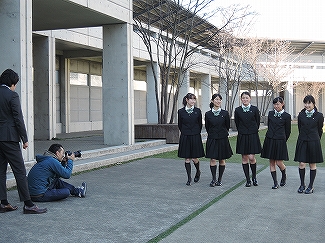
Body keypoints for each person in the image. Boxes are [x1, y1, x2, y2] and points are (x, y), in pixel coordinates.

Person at [0, 69, 47, 214]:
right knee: (19, 170)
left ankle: (3, 203)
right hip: (10, 138)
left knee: (0, 171)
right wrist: (24, 139)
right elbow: (18, 119)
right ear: (12, 83)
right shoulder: (12, 95)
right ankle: (28, 204)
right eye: (15, 84)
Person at [294, 95, 324, 194]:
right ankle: (302, 184)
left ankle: (311, 186)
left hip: (313, 142)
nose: (307, 105)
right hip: (302, 141)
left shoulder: (319, 116)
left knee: (312, 164)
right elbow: (300, 128)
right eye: (305, 103)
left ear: (313, 103)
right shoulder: (301, 115)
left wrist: (314, 139)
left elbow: (319, 130)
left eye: (309, 103)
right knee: (302, 163)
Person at [261, 97, 291, 189]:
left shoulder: (287, 116)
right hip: (270, 140)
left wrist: (282, 140)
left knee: (279, 162)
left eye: (278, 104)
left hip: (280, 141)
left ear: (282, 104)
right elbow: (269, 126)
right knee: (272, 162)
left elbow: (288, 131)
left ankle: (284, 175)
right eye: (275, 104)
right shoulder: (270, 114)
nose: (276, 106)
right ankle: (275, 183)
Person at [205, 94, 233, 187]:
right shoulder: (208, 114)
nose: (218, 101)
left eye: (220, 100)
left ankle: (219, 179)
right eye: (216, 99)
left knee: (222, 159)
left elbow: (227, 126)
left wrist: (222, 133)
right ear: (212, 101)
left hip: (222, 138)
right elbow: (207, 127)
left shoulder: (225, 113)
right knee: (213, 159)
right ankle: (213, 179)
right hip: (212, 138)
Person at [234, 91, 261, 187]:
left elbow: (257, 122)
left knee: (251, 157)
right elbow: (237, 123)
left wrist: (252, 130)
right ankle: (248, 179)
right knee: (244, 157)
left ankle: (254, 177)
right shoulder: (237, 110)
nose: (245, 99)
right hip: (242, 135)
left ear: (250, 99)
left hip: (252, 135)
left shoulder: (254, 109)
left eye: (247, 98)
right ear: (241, 99)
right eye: (243, 98)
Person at [178, 93, 205, 186]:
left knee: (194, 158)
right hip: (185, 136)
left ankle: (198, 171)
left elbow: (200, 124)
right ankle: (189, 178)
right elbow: (180, 125)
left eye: (194, 99)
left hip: (195, 136)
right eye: (191, 99)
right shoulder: (181, 111)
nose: (193, 101)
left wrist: (195, 132)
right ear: (186, 100)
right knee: (187, 158)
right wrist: (186, 132)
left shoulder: (197, 111)